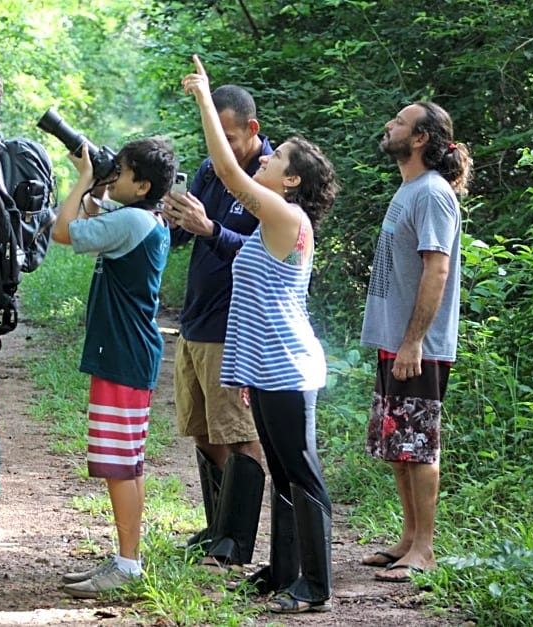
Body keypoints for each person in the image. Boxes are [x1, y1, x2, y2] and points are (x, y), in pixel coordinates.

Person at [182, 55, 338, 614]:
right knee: (282, 471)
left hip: (290, 368)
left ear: (291, 180)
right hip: (272, 367)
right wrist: (247, 372)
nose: (267, 159)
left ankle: (316, 586)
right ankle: (284, 572)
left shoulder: (283, 215)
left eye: (277, 159)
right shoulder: (277, 222)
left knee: (301, 471)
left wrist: (203, 96)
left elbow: (227, 172)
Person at [52, 137, 178, 598]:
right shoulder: (141, 219)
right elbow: (92, 220)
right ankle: (126, 557)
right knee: (123, 463)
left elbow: (63, 231)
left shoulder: (132, 221)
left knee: (121, 465)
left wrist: (84, 179)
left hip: (124, 355)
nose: (114, 175)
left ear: (142, 185)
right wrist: (99, 188)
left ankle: (128, 565)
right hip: (127, 352)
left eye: (121, 171)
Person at [360, 102, 471, 583]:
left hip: (418, 345)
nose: (389, 125)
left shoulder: (431, 194)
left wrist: (414, 341)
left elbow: (438, 268)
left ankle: (425, 549)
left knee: (419, 446)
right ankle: (408, 539)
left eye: (400, 122)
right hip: (396, 340)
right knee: (398, 445)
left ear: (421, 138)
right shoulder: (409, 189)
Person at [162, 84, 269, 568]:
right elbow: (188, 234)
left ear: (253, 130)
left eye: (228, 137)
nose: (219, 149)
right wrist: (175, 217)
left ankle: (238, 538)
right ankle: (217, 526)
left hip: (236, 326)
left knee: (238, 432)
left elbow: (266, 251)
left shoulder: (273, 176)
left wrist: (211, 229)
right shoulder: (210, 169)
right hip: (196, 320)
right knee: (203, 429)